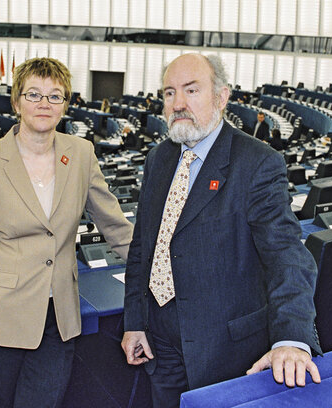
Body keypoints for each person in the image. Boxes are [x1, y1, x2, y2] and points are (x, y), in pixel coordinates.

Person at [121, 53, 321, 408]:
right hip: (161, 341)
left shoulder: (258, 162)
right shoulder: (159, 157)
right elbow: (144, 247)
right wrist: (135, 320)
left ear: (222, 96)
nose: (178, 104)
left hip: (224, 349)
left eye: (191, 90)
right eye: (169, 93)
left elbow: (287, 256)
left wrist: (292, 338)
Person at [0, 57, 133, 408]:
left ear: (66, 105)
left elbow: (115, 225)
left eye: (55, 96)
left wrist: (160, 272)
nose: (45, 103)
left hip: (57, 319)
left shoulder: (82, 153)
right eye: (34, 94)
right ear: (16, 101)